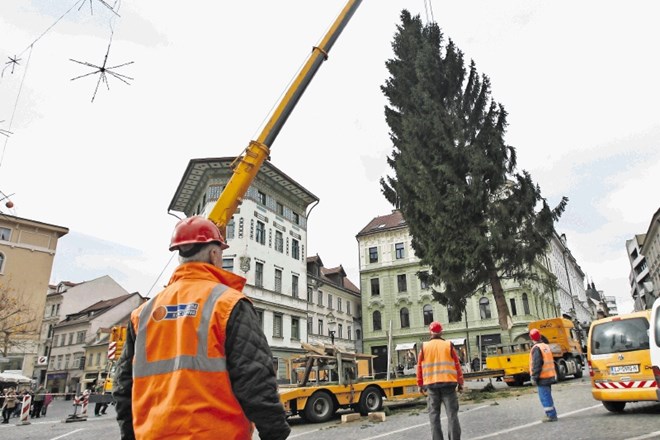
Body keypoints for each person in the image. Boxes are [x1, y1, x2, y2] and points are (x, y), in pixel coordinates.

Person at [113, 216, 290, 440]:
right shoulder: (229, 304)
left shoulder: (143, 314)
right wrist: (276, 433)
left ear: (180, 256)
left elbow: (123, 386)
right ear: (214, 254)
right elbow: (255, 379)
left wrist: (130, 435)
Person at [417, 321, 464, 440]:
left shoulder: (424, 347)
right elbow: (457, 365)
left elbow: (419, 367)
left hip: (432, 387)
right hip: (449, 385)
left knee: (434, 417)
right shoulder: (448, 345)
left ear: (430, 332)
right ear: (441, 332)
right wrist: (460, 382)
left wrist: (420, 384)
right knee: (452, 415)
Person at [529, 328, 558, 422]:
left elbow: (537, 364)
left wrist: (534, 377)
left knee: (544, 397)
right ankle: (552, 414)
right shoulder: (545, 346)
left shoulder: (536, 348)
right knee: (547, 396)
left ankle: (551, 415)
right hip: (549, 375)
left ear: (531, 338)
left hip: (542, 377)